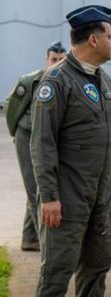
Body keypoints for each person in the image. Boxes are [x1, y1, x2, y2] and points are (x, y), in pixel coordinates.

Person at [30, 5, 111, 296]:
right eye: (110, 35)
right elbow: (42, 142)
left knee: (97, 267)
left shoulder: (103, 78)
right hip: (66, 198)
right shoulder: (56, 81)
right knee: (56, 273)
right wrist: (49, 197)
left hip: (99, 195)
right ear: (94, 40)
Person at [5, 41, 66, 252]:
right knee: (35, 191)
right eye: (53, 59)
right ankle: (47, 245)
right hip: (27, 135)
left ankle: (29, 238)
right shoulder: (31, 80)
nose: (56, 63)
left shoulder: (65, 81)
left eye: (61, 60)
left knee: (36, 189)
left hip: (47, 139)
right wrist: (17, 133)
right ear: (46, 59)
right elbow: (10, 105)